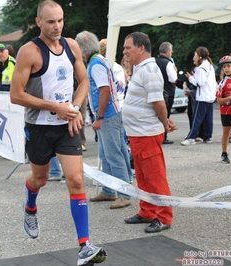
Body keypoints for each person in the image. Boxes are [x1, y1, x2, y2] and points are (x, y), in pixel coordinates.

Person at [9, 1, 107, 265]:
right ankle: (30, 206)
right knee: (39, 179)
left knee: (75, 180)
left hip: (67, 127)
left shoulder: (71, 45)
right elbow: (16, 95)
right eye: (51, 21)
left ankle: (85, 246)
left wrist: (74, 109)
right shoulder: (29, 51)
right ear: (39, 21)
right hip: (39, 128)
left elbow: (84, 81)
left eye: (60, 20)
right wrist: (55, 107)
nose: (57, 26)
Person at [122, 32, 177, 233]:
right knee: (143, 177)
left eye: (128, 48)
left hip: (146, 134)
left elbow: (158, 103)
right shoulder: (141, 69)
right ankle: (147, 211)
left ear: (141, 48)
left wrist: (165, 123)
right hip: (138, 134)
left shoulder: (150, 70)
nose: (124, 51)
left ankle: (163, 217)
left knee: (155, 177)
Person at [76, 30, 132, 209]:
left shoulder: (95, 64)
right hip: (111, 114)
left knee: (114, 154)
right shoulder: (98, 61)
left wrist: (99, 116)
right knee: (108, 154)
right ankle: (109, 190)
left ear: (82, 49)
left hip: (108, 116)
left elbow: (105, 90)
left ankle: (124, 193)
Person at [181, 47, 216, 146]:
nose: (193, 58)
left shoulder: (201, 68)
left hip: (202, 97)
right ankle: (208, 137)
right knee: (208, 118)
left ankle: (191, 137)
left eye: (195, 55)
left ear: (199, 56)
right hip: (209, 96)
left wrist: (191, 78)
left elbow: (200, 83)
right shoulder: (209, 65)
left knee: (197, 117)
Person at [155, 42, 178, 144]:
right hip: (167, 93)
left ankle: (156, 135)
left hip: (156, 91)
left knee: (155, 115)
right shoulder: (168, 63)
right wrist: (175, 71)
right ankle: (164, 136)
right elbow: (173, 79)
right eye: (171, 50)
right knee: (166, 114)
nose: (172, 52)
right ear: (168, 51)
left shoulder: (154, 61)